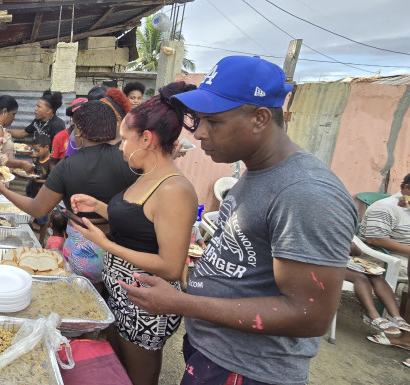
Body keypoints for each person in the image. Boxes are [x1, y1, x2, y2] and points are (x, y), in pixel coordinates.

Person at [121, 56, 357, 385]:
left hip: (246, 370)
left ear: (260, 118)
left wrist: (181, 302)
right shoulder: (258, 171)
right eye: (199, 120)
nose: (200, 133)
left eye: (213, 122)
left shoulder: (304, 192)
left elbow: (310, 314)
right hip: (215, 353)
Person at [69, 82, 199, 385]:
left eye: (125, 139)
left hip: (145, 305)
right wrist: (100, 206)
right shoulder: (145, 175)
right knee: (117, 373)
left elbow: (170, 265)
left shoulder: (175, 189)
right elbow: (139, 223)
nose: (120, 146)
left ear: (146, 138)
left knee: (139, 379)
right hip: (120, 295)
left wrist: (104, 244)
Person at [0, 101, 138, 284]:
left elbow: (37, 209)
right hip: (123, 249)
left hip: (81, 249)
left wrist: (3, 189)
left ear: (80, 131)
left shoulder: (67, 166)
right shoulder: (132, 161)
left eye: (73, 126)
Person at [354, 174, 410, 335]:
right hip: (386, 255)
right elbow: (375, 239)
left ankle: (402, 321)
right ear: (407, 188)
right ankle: (404, 334)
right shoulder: (386, 208)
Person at [0, 95, 34, 173]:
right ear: (4, 111)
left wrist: (13, 170)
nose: (14, 118)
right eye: (13, 114)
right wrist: (21, 164)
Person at [51, 97, 87, 166]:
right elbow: (53, 163)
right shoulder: (60, 137)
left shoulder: (95, 136)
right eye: (78, 114)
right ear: (72, 118)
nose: (83, 117)